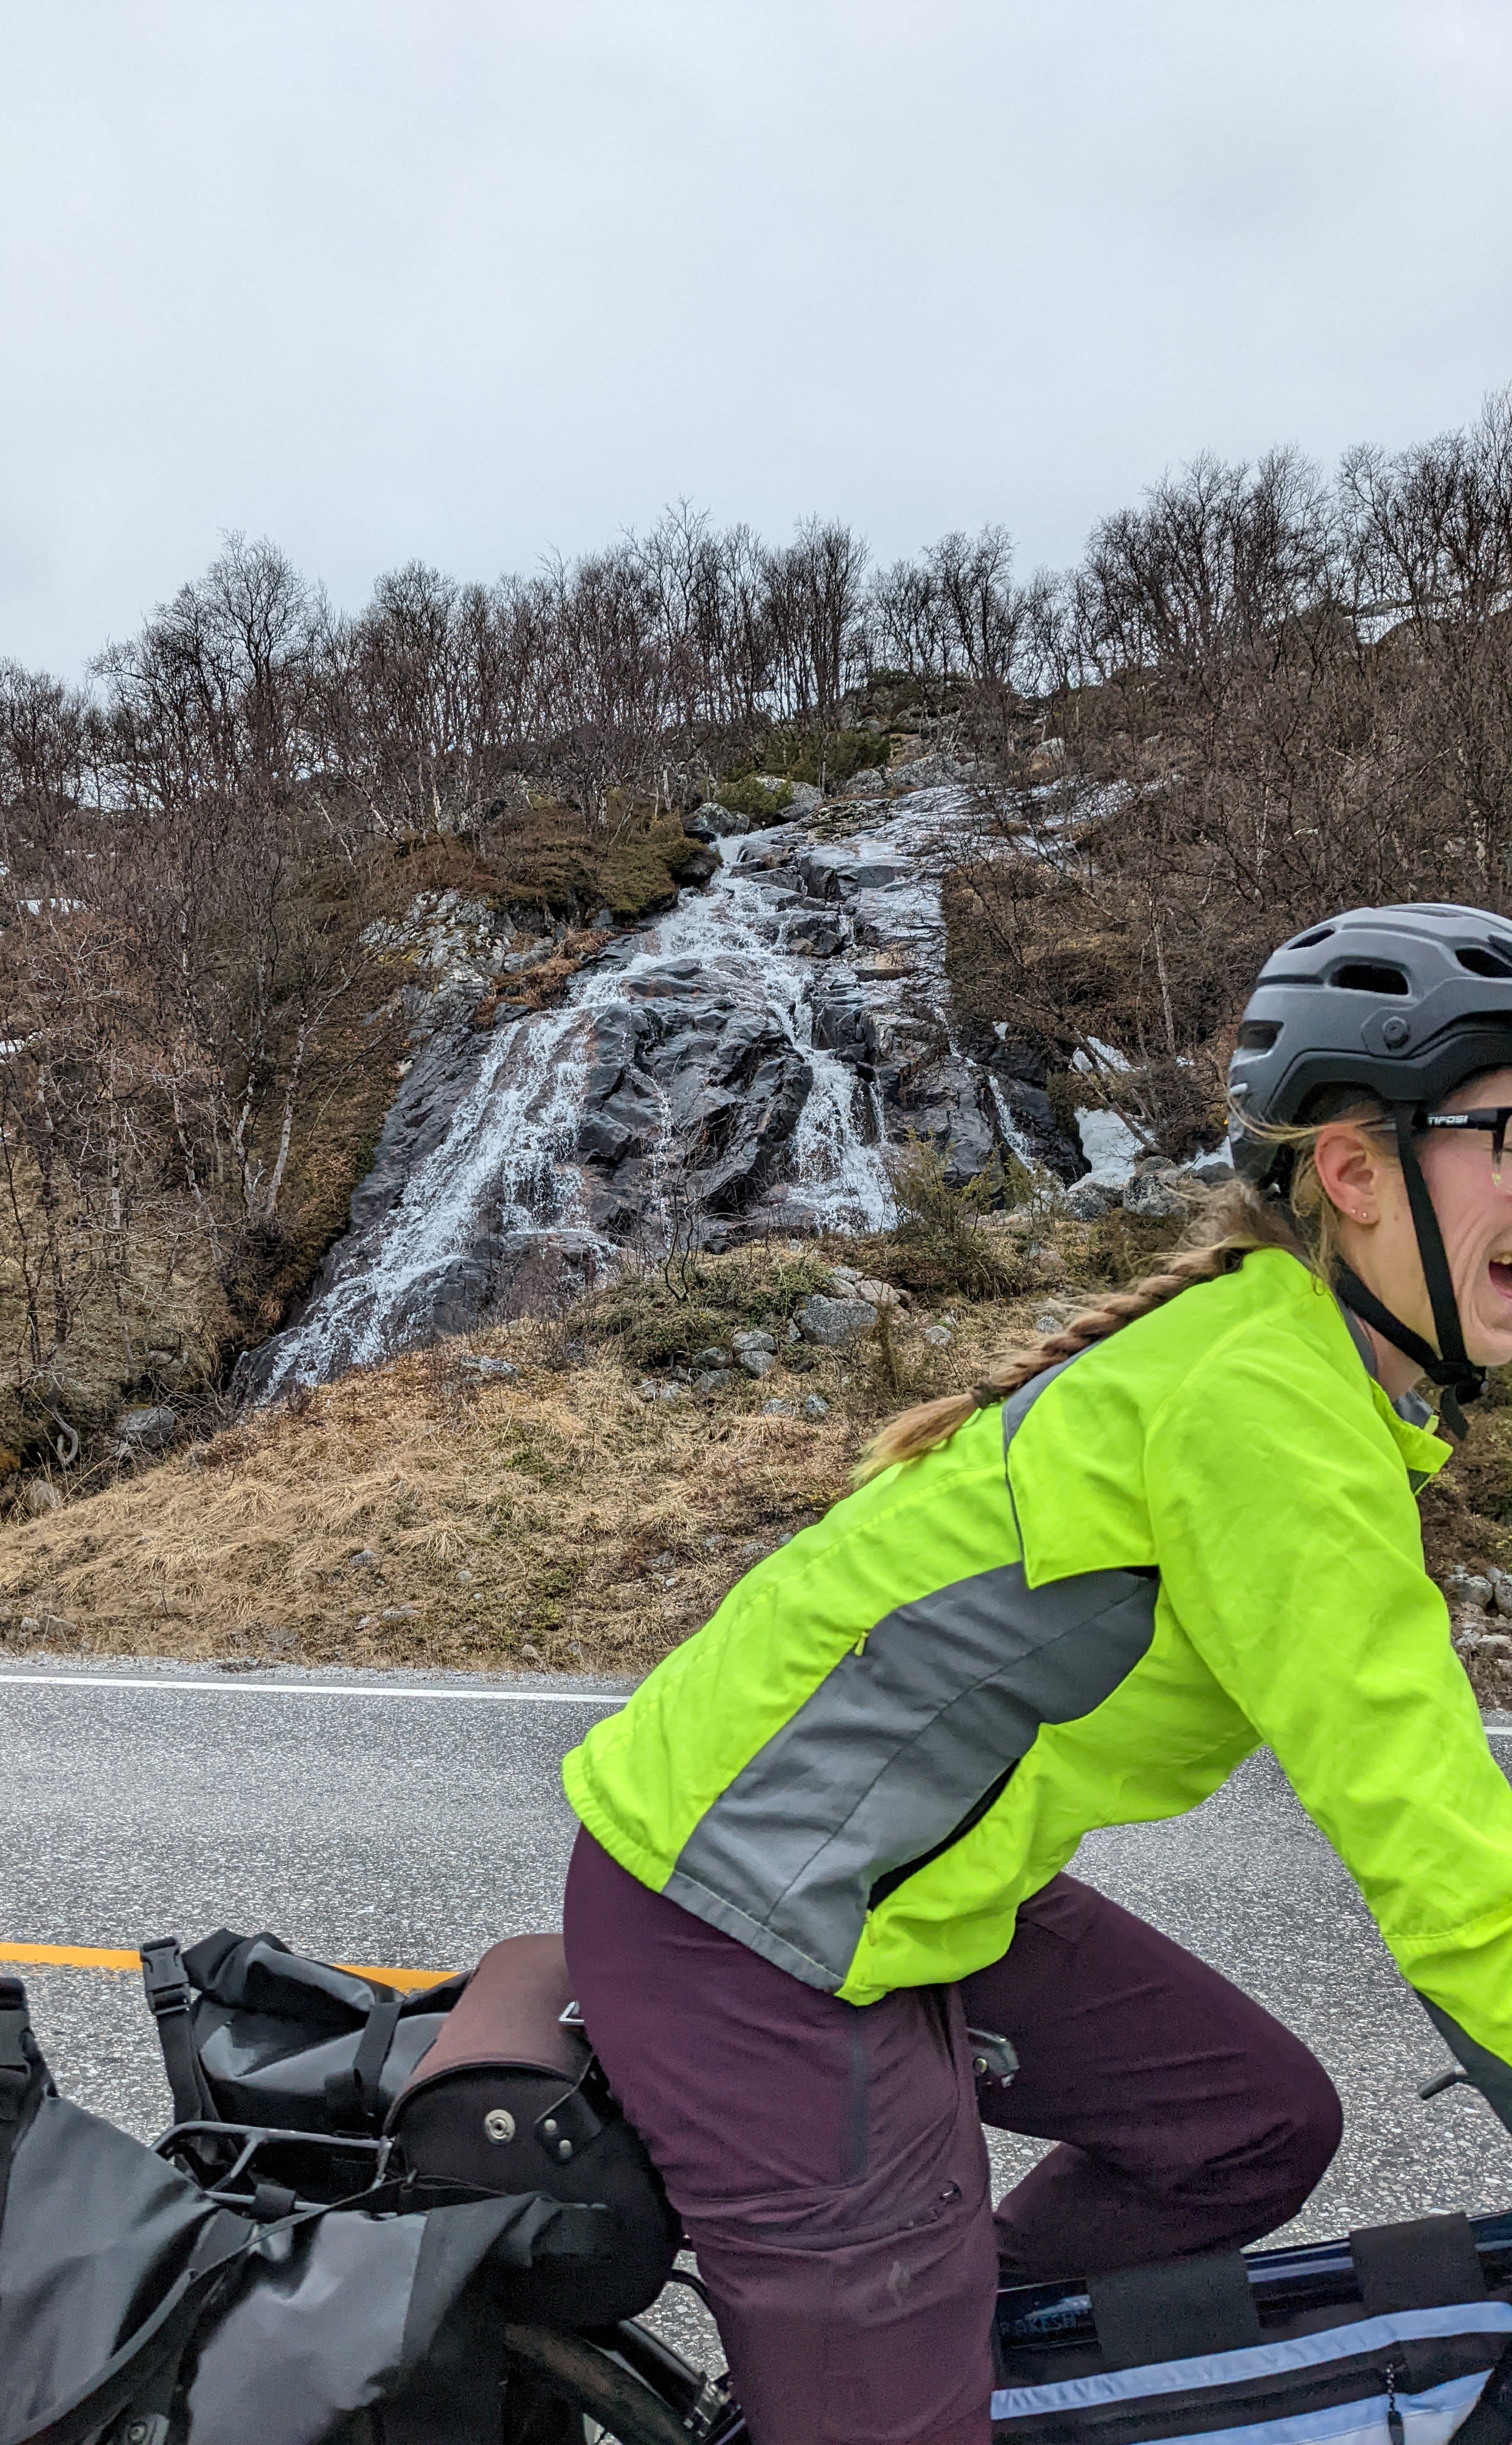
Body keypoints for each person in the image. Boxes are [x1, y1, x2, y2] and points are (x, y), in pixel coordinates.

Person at [559, 903, 1512, 2445]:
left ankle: (909, 2362)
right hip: (749, 1918)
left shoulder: (1280, 1353)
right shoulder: (1263, 1403)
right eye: (1510, 1132)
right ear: (1353, 1170)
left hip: (897, 1874)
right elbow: (1441, 1853)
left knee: (1245, 2131)